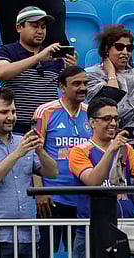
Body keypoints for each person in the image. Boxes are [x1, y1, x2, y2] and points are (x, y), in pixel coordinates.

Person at [67, 97, 134, 258]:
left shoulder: (126, 149)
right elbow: (93, 181)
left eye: (116, 119)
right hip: (90, 230)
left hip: (124, 227)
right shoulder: (79, 151)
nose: (113, 123)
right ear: (92, 122)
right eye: (106, 118)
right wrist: (111, 150)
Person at [0, 88, 59, 258]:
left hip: (28, 236)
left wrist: (41, 151)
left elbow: (52, 173)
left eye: (13, 111)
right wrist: (17, 154)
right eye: (4, 112)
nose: (11, 117)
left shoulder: (24, 142)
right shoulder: (20, 147)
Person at [31, 64, 88, 254]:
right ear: (62, 87)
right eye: (76, 83)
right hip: (52, 198)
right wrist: (39, 191)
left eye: (85, 83)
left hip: (82, 198)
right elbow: (33, 151)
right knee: (46, 252)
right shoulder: (44, 111)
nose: (82, 88)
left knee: (81, 253)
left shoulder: (92, 114)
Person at [0, 7, 74, 135]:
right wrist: (38, 57)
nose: (40, 31)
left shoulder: (54, 55)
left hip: (49, 128)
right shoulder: (8, 50)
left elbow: (69, 93)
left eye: (43, 27)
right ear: (19, 27)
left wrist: (71, 70)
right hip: (17, 128)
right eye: (34, 26)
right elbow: (1, 73)